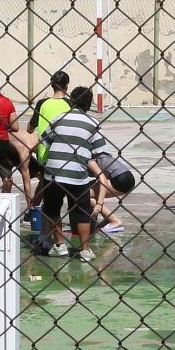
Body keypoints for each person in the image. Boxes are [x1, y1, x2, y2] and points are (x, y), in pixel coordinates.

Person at [38, 86, 113, 262]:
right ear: (89, 105)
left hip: (54, 171)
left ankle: (59, 245)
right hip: (78, 174)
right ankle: (85, 250)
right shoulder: (93, 123)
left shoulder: (58, 119)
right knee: (81, 211)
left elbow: (45, 141)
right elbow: (99, 151)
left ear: (71, 102)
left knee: (53, 209)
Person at [29, 71, 73, 185]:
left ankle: (35, 203)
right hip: (66, 152)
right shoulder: (71, 103)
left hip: (45, 153)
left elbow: (30, 129)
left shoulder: (42, 103)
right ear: (66, 86)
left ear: (52, 85)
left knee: (45, 184)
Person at [93, 148, 136, 236]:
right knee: (91, 190)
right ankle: (108, 219)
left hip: (120, 180)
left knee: (84, 194)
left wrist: (100, 203)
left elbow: (103, 180)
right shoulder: (103, 156)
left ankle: (115, 221)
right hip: (127, 177)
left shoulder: (92, 159)